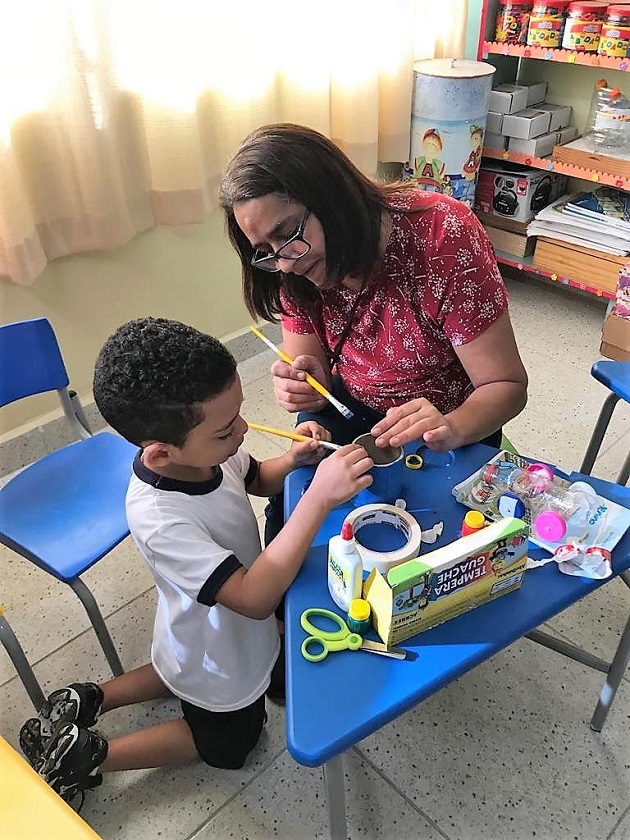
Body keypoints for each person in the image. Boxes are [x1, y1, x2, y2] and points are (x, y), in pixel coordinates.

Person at [19, 317, 373, 805]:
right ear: (161, 455)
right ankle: (91, 757)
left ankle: (93, 696)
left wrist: (293, 461)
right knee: (227, 740)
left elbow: (256, 479)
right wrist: (317, 501)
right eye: (229, 430)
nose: (244, 432)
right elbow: (252, 598)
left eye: (240, 415)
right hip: (223, 648)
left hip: (193, 629)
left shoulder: (205, 452)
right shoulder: (162, 519)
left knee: (178, 671)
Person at [219, 123, 528, 542]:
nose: (286, 264)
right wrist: (307, 384)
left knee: (445, 547)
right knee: (298, 540)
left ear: (335, 196)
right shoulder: (290, 266)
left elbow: (506, 385)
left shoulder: (443, 236)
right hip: (348, 415)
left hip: (451, 425)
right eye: (267, 252)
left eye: (288, 235)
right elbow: (315, 374)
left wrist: (452, 427)